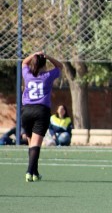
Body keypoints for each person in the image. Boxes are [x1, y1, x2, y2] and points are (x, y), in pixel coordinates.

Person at [21, 51, 63, 182]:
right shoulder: (47, 76)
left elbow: (24, 62)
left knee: (31, 143)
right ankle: (29, 172)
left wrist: (34, 54)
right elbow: (60, 66)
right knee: (36, 145)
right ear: (44, 65)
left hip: (26, 111)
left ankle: (35, 172)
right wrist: (49, 56)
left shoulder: (27, 75)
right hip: (41, 111)